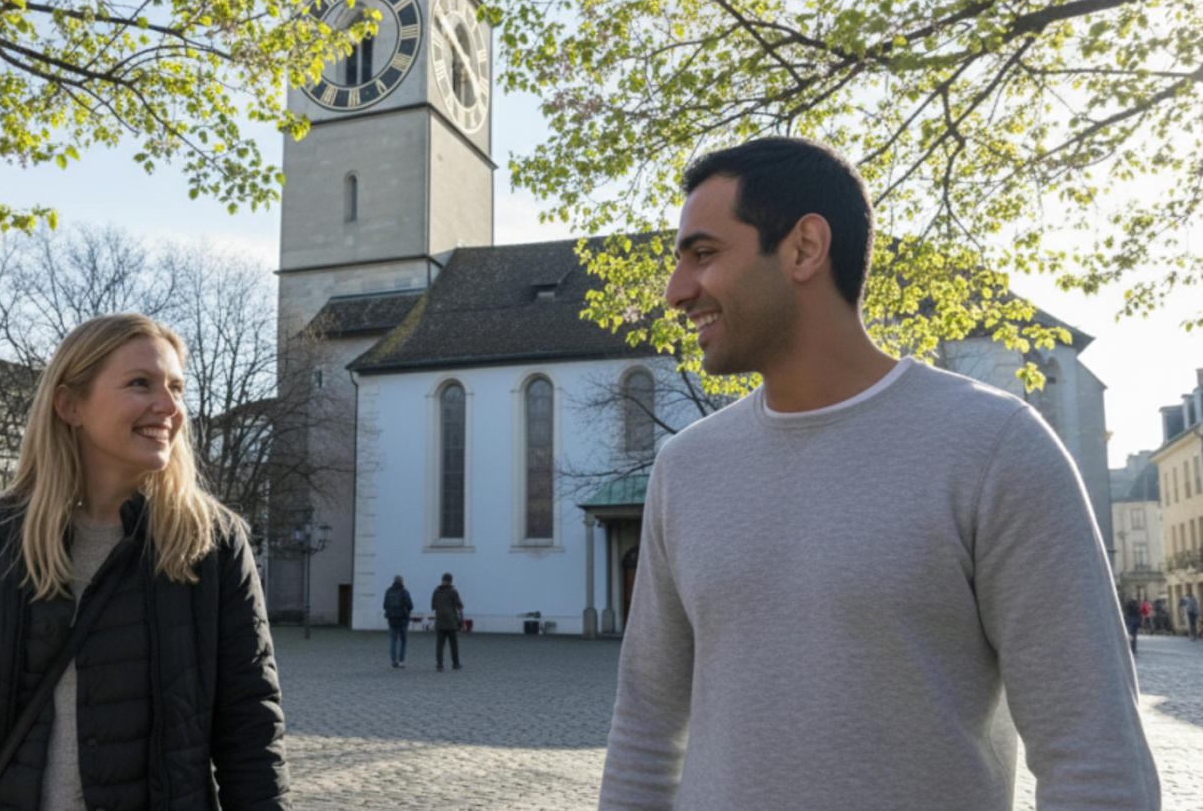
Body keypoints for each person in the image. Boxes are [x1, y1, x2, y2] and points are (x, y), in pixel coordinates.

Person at [599, 137, 1158, 811]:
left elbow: (1095, 758)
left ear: (805, 248)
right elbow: (646, 729)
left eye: (704, 253)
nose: (675, 291)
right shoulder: (685, 469)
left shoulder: (995, 448)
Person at [0, 313, 289, 811]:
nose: (169, 406)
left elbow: (251, 734)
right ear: (70, 404)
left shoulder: (212, 544)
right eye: (141, 383)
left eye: (177, 388)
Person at [431, 573, 464, 672]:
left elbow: (433, 606)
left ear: (442, 580)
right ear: (451, 581)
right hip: (451, 622)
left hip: (440, 621)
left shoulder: (437, 591)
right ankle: (455, 663)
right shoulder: (453, 592)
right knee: (453, 644)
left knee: (440, 644)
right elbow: (460, 606)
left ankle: (439, 664)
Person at [383, 575, 414, 668]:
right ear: (402, 581)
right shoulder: (404, 591)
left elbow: (385, 605)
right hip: (403, 618)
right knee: (403, 640)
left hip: (392, 619)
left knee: (393, 640)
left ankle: (393, 661)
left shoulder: (388, 591)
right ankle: (401, 661)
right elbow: (410, 605)